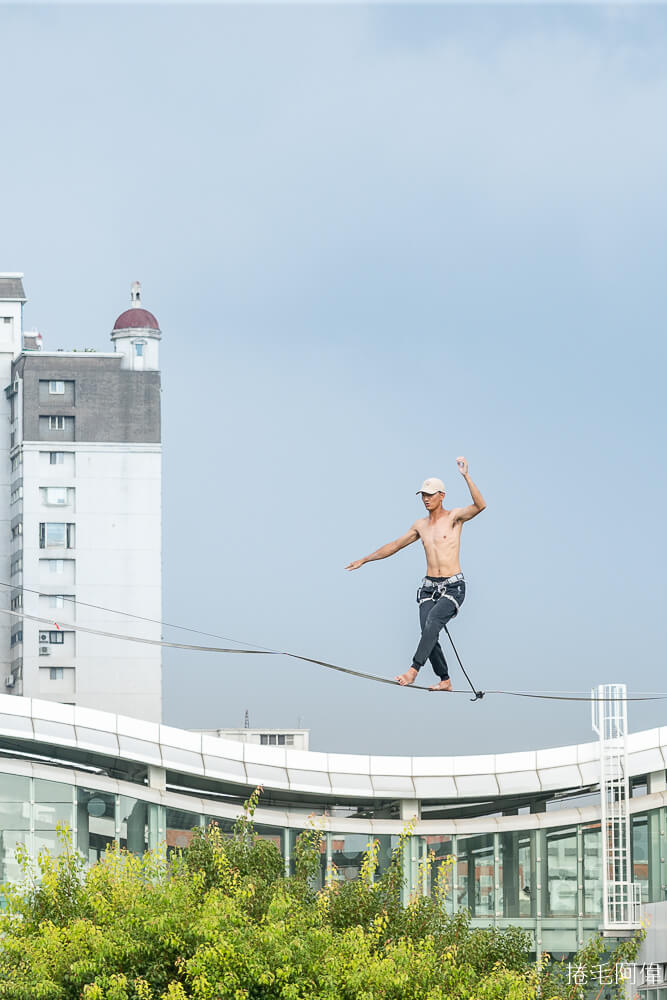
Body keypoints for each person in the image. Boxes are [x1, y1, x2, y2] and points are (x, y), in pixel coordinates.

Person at [346, 457, 486, 691]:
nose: (426, 499)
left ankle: (413, 670)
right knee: (427, 632)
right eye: (423, 495)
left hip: (453, 587)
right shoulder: (420, 526)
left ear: (442, 495)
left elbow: (480, 505)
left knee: (432, 623)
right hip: (429, 588)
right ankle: (445, 680)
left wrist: (466, 476)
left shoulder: (454, 518)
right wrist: (365, 559)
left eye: (430, 494)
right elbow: (394, 545)